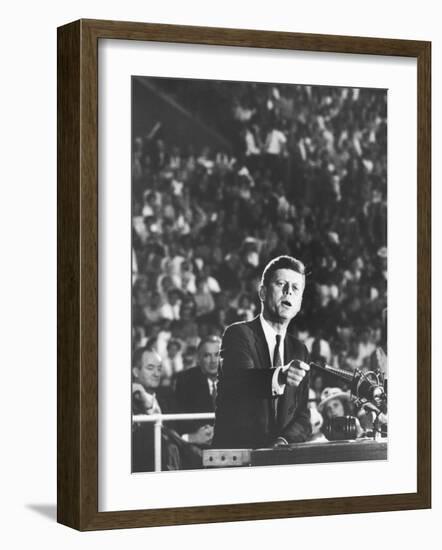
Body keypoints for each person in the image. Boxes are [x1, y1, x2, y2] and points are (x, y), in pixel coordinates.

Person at [213, 255, 312, 449]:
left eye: (295, 288)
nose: (288, 292)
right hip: (239, 457)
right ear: (263, 293)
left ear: (299, 303)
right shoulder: (238, 333)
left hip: (280, 457)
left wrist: (283, 441)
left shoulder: (300, 350)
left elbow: (303, 416)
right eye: (281, 284)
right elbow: (241, 383)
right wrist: (280, 375)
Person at [131, 346, 201, 472]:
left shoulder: (167, 397)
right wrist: (189, 438)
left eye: (159, 368)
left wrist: (201, 432)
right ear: (136, 371)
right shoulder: (127, 402)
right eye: (150, 368)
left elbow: (185, 426)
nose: (157, 373)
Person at [174, 335, 221, 446]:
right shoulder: (186, 380)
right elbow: (181, 416)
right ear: (199, 359)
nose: (213, 361)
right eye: (207, 356)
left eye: (217, 355)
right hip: (200, 443)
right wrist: (203, 432)